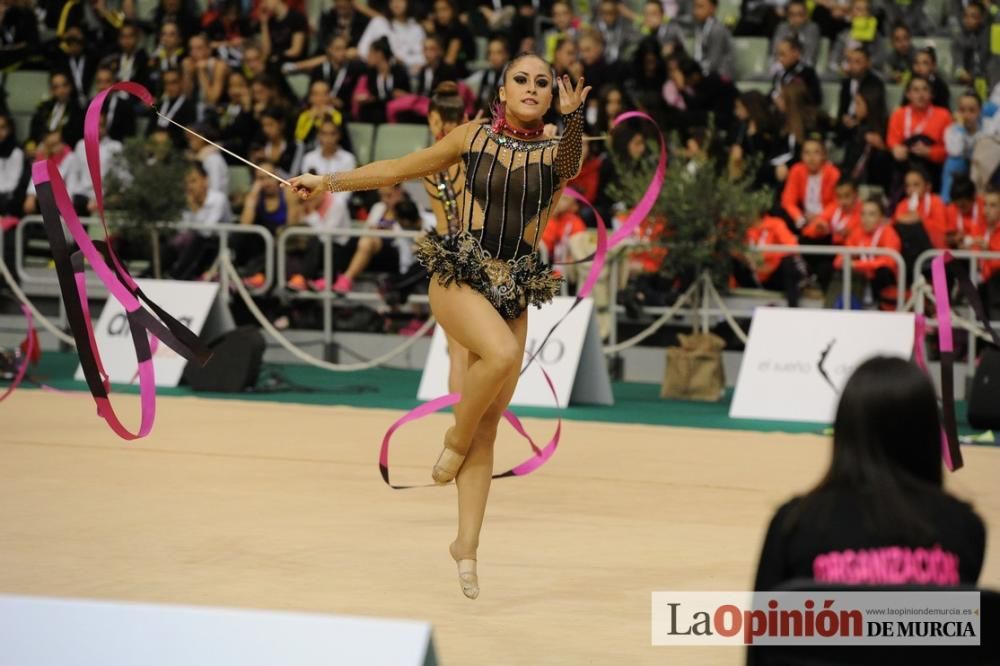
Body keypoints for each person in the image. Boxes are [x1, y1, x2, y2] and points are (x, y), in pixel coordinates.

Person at [289, 53, 589, 600]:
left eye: (542, 83)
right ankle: (451, 438)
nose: (531, 88)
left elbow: (569, 162)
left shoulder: (557, 150)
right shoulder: (471, 136)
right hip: (459, 275)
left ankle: (466, 546)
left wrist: (572, 120)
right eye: (520, 79)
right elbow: (400, 167)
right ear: (501, 91)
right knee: (497, 359)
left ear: (551, 98)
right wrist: (326, 181)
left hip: (514, 288)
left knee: (489, 428)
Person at [754, 356, 985, 589]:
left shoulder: (794, 525)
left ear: (845, 431)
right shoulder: (964, 528)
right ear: (930, 434)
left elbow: (764, 621)